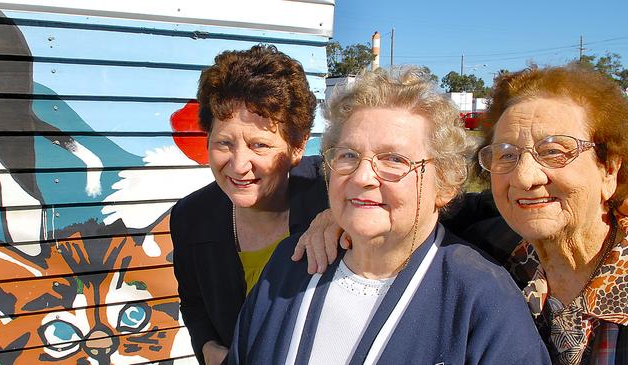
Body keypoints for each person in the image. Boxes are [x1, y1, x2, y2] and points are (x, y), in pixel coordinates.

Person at [228, 67, 549, 364]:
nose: (361, 176)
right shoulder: (291, 263)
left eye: (394, 159)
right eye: (349, 155)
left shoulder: (483, 301)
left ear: (447, 183)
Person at [170, 45, 327, 365]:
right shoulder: (190, 218)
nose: (239, 165)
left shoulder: (333, 191)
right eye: (224, 143)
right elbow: (194, 303)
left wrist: (341, 216)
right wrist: (206, 348)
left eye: (259, 145)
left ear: (296, 147)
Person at [476, 65, 628, 364]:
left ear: (609, 168)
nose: (524, 177)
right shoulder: (490, 251)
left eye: (553, 151)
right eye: (507, 154)